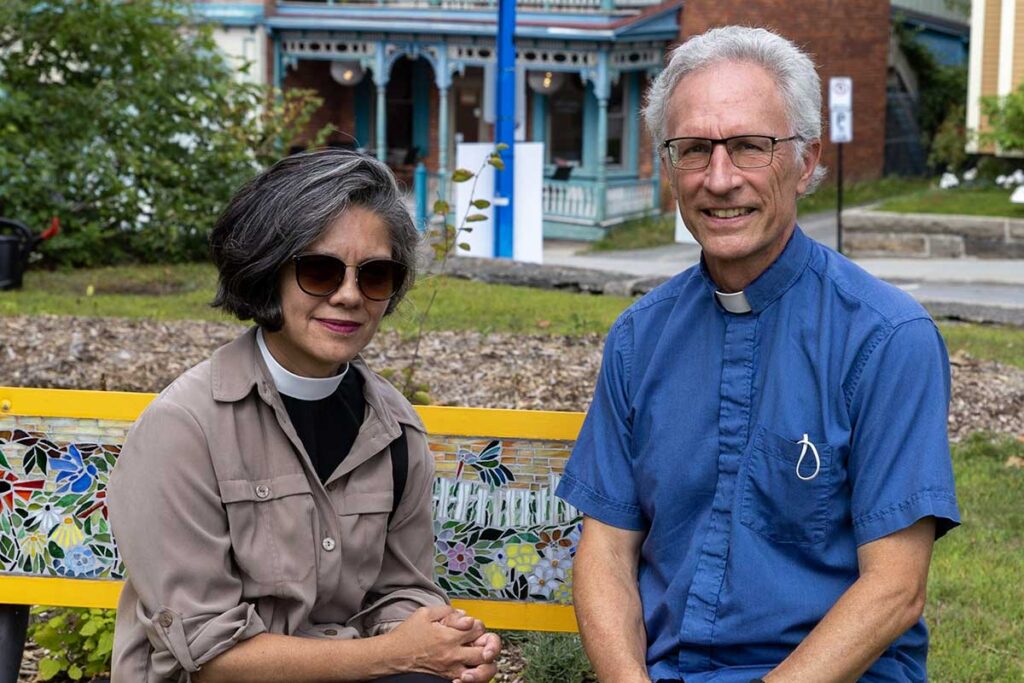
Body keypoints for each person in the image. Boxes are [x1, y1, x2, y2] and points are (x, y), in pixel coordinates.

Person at [556, 26, 959, 683]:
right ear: (668, 166)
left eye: (749, 146)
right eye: (694, 150)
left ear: (804, 162)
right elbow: (604, 548)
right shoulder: (638, 338)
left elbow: (895, 590)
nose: (720, 179)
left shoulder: (887, 338)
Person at [108, 150, 500, 683]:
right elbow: (206, 652)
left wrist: (445, 644)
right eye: (319, 270)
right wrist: (395, 655)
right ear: (268, 272)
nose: (349, 295)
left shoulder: (394, 428)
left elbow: (400, 590)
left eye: (376, 275)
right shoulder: (184, 428)